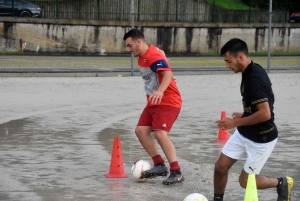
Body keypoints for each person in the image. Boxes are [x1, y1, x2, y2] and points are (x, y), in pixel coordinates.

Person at [213, 38, 294, 201]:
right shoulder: (250, 70)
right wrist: (246, 114)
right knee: (220, 167)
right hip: (244, 133)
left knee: (245, 181)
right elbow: (268, 100)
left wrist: (234, 123)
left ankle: (281, 182)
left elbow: (265, 114)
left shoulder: (254, 78)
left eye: (229, 61)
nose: (227, 66)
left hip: (261, 139)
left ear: (241, 57)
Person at [123, 29, 184, 185]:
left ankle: (176, 172)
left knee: (160, 134)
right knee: (141, 131)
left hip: (168, 101)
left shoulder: (153, 55)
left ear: (139, 42)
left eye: (130, 46)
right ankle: (159, 165)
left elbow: (168, 74)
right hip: (153, 102)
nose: (128, 50)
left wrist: (160, 91)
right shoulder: (146, 55)